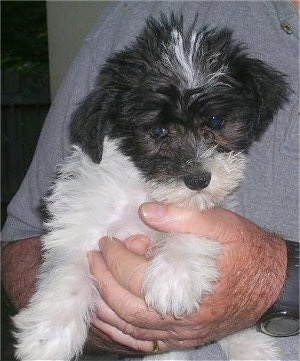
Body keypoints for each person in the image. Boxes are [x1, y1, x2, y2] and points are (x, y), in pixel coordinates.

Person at [2, 1, 299, 360]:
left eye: (216, 124)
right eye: (160, 132)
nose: (196, 166)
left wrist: (267, 284)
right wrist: (100, 320)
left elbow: (203, 245)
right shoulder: (132, 14)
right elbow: (45, 240)